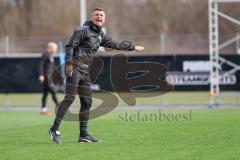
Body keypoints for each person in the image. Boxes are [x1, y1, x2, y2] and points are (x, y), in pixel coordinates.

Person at [49, 8, 144, 144]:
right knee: (69, 98)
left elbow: (115, 44)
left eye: (101, 15)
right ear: (91, 17)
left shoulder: (101, 35)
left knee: (87, 102)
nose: (99, 17)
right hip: (75, 67)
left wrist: (133, 47)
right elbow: (70, 46)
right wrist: (69, 64)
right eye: (96, 15)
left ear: (104, 19)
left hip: (85, 71)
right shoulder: (82, 30)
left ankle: (83, 135)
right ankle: (54, 129)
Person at [39, 42, 59, 116]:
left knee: (45, 93)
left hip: (50, 76)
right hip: (46, 77)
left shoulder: (51, 56)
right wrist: (41, 75)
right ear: (51, 48)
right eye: (55, 48)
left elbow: (52, 67)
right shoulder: (45, 54)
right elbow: (40, 65)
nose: (56, 50)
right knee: (53, 91)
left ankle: (43, 110)